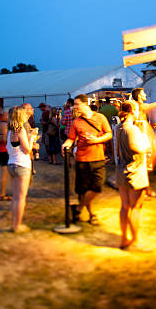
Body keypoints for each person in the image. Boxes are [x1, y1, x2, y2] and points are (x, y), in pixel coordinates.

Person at [61, 94, 112, 225]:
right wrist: (65, 145)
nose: (75, 107)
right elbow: (71, 139)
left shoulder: (100, 117)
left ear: (85, 104)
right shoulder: (76, 122)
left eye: (77, 104)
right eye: (74, 105)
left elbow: (109, 134)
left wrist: (97, 140)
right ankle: (91, 214)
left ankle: (78, 208)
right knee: (83, 190)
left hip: (98, 158)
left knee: (97, 187)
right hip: (82, 159)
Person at [114, 101, 151, 250]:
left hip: (121, 170)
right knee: (136, 208)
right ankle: (135, 242)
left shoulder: (118, 128)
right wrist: (146, 141)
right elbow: (136, 147)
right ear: (133, 111)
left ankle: (124, 238)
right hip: (134, 172)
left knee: (124, 206)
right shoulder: (132, 129)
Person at [7, 106, 39, 233]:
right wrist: (32, 137)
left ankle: (14, 224)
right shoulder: (20, 130)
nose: (27, 116)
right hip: (22, 165)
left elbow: (10, 148)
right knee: (21, 198)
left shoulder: (11, 131)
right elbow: (27, 150)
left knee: (15, 197)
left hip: (11, 164)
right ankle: (18, 226)